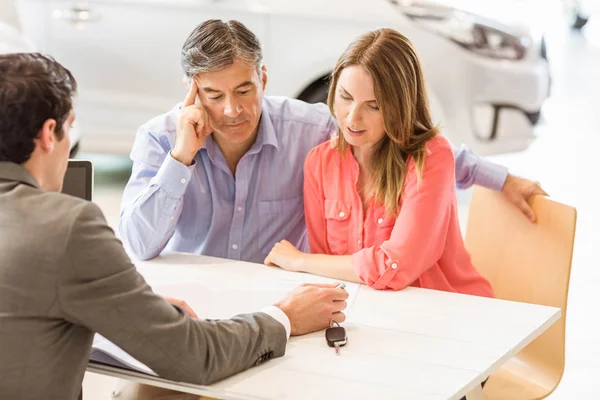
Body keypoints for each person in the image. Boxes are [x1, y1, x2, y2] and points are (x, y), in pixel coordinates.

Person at [0, 52, 348, 400]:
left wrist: (130, 307)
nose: (231, 110)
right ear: (49, 134)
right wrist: (285, 317)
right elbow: (194, 355)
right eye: (69, 128)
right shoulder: (69, 227)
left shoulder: (312, 129)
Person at [119, 19, 546, 265]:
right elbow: (139, 244)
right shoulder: (160, 139)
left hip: (280, 310)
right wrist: (182, 157)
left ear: (263, 78)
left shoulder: (310, 129)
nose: (233, 110)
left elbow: (406, 141)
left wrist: (501, 178)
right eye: (214, 96)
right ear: (191, 91)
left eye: (244, 90)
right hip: (197, 306)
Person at [264, 28, 494, 299]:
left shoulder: (431, 157)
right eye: (346, 97)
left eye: (373, 106)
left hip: (449, 311)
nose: (352, 119)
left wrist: (299, 260)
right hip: (369, 315)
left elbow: (396, 267)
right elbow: (324, 269)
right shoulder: (320, 162)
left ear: (400, 107)